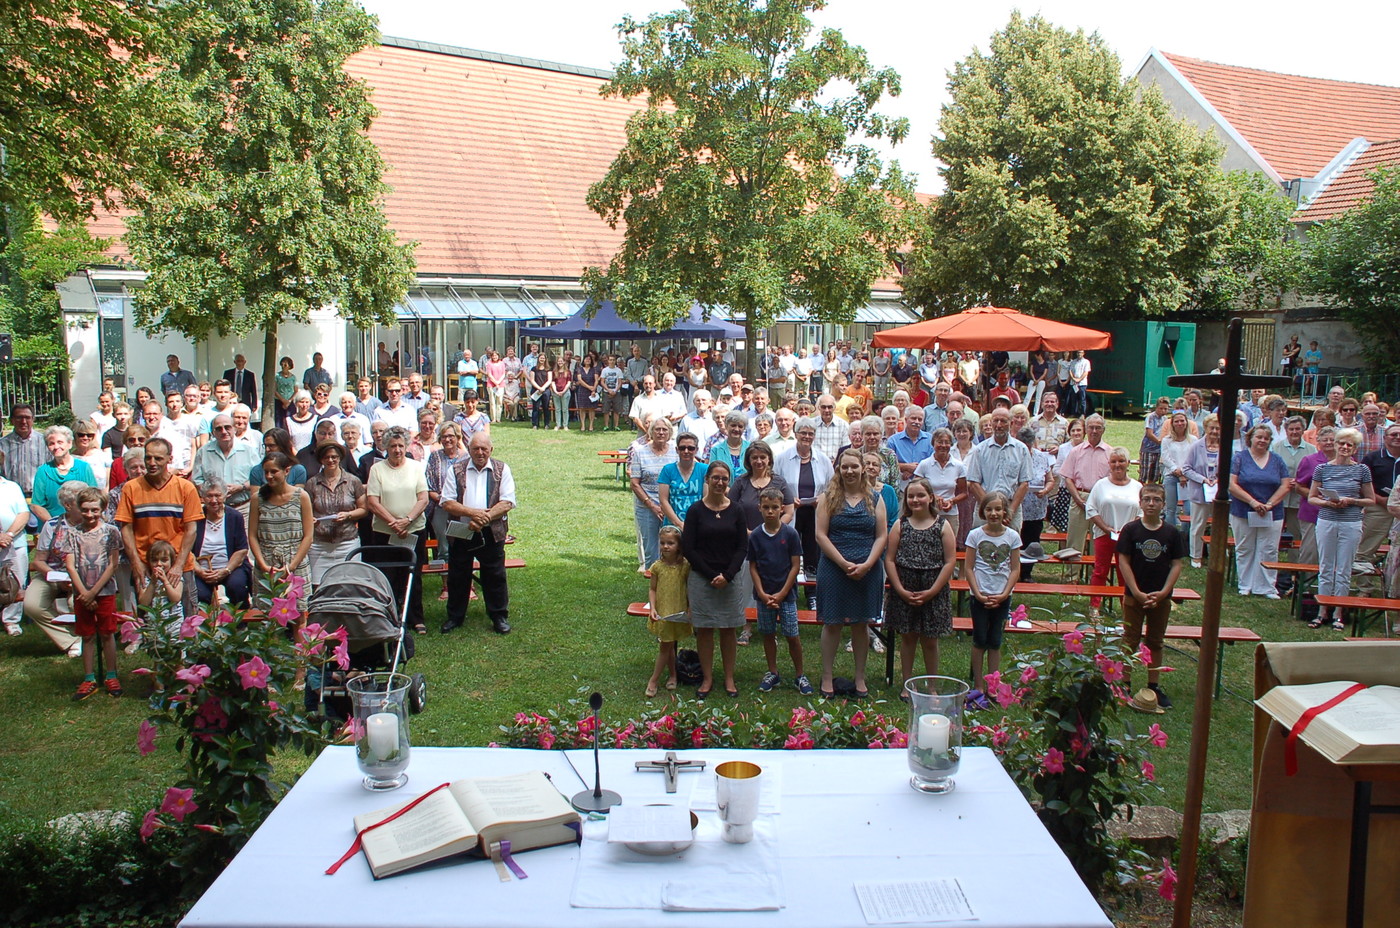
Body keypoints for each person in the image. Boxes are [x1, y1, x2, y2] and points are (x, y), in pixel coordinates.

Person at [814, 448, 887, 700]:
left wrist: (866, 564)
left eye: (854, 466)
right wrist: (844, 563)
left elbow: (881, 535)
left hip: (867, 569)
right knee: (832, 623)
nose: (849, 471)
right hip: (834, 567)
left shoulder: (876, 498)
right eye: (844, 467)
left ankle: (859, 677)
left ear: (862, 469)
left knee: (860, 624)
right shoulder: (828, 497)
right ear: (839, 469)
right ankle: (826, 675)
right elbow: (820, 535)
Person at [680, 459, 748, 699]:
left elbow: (742, 546)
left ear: (729, 482)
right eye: (715, 478)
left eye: (724, 478)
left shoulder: (737, 510)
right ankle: (707, 678)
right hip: (702, 579)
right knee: (705, 629)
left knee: (729, 629)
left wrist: (727, 575)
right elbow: (689, 547)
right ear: (707, 480)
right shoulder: (696, 510)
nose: (720, 482)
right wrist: (711, 575)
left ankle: (729, 677)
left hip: (730, 579)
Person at [1116, 483, 1187, 709]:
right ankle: (1124, 684)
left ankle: (1153, 685)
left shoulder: (1171, 533)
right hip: (1134, 595)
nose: (1151, 503)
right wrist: (1136, 591)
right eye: (1147, 499)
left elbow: (1176, 564)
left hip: (1160, 597)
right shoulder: (1131, 530)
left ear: (1163, 504)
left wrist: (1165, 592)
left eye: (1156, 500)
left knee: (1155, 641)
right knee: (1129, 640)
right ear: (1140, 502)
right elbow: (1123, 561)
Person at [440, 432, 517, 636]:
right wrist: (472, 514)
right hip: (462, 532)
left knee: (495, 575)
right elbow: (446, 501)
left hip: (492, 532)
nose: (480, 452)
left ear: (491, 450)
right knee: (458, 575)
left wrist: (485, 518)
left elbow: (508, 501)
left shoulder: (502, 469)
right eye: (476, 449)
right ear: (469, 449)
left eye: (484, 448)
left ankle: (499, 616)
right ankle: (455, 617)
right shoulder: (456, 469)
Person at [883, 477, 955, 692]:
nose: (916, 500)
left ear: (930, 497)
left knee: (930, 640)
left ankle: (932, 685)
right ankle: (907, 684)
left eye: (921, 495)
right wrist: (900, 589)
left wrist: (933, 591)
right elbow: (890, 559)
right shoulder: (900, 524)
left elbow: (950, 561)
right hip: (905, 587)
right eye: (911, 496)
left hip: (933, 588)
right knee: (908, 638)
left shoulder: (942, 525)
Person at [1307, 428, 1374, 630]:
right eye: (1341, 443)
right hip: (1327, 519)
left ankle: (1339, 613)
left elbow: (1370, 499)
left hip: (1351, 521)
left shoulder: (1362, 470)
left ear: (1354, 448)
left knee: (1344, 568)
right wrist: (1328, 503)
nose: (1345, 448)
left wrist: (1351, 500)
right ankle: (1322, 611)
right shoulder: (1322, 469)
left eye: (1349, 445)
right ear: (1335, 445)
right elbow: (1312, 497)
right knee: (1326, 566)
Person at [365, 427, 429, 632]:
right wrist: (393, 522)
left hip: (413, 530)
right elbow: (372, 501)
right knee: (388, 575)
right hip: (385, 532)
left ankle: (415, 618)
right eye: (393, 446)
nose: (397, 450)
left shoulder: (416, 467)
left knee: (413, 574)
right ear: (385, 447)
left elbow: (424, 498)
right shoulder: (377, 469)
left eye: (401, 445)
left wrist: (407, 521)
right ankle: (390, 617)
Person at [748, 486, 811, 695]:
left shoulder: (790, 534)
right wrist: (762, 593)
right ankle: (772, 672)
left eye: (774, 507)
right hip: (764, 596)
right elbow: (753, 567)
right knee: (767, 633)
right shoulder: (756, 535)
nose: (770, 512)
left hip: (787, 595)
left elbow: (795, 566)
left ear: (782, 508)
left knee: (792, 635)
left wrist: (783, 593)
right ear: (759, 508)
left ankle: (800, 674)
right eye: (766, 507)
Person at [64, 487, 124, 700]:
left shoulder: (111, 532)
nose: (90, 515)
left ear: (103, 509)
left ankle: (111, 674)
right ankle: (89, 677)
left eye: (94, 510)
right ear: (79, 509)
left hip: (105, 590)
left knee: (107, 632)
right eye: (85, 510)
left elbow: (112, 564)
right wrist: (85, 594)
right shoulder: (72, 533)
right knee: (87, 634)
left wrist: (94, 592)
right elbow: (71, 565)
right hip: (82, 592)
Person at [964, 491, 1021, 705]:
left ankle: (993, 684)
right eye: (989, 509)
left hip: (1002, 595)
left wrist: (1004, 593)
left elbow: (1015, 568)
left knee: (995, 641)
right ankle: (978, 684)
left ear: (1005, 512)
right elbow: (969, 567)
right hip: (979, 595)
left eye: (998, 509)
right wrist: (978, 593)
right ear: (983, 511)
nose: (994, 513)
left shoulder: (1012, 536)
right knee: (980, 640)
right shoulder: (975, 535)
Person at [1228, 425, 1292, 598]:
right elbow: (1232, 484)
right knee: (1245, 547)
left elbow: (1286, 484)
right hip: (1243, 510)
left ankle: (1266, 587)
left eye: (1266, 438)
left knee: (1269, 548)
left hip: (1272, 511)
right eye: (1259, 437)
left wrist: (1270, 504)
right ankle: (1245, 584)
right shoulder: (1240, 458)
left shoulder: (1277, 460)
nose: (1262, 441)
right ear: (1251, 438)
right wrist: (1253, 502)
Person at [1084, 447, 1142, 619]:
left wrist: (1129, 530)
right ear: (1109, 464)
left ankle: (1127, 606)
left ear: (1128, 464)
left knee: (1126, 572)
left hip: (1128, 537)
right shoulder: (1101, 485)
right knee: (1100, 570)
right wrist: (1105, 527)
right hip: (1105, 534)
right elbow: (1091, 509)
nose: (1118, 465)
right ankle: (1094, 606)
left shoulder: (1137, 486)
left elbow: (1142, 513)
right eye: (1114, 461)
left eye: (1121, 461)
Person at [248, 451, 314, 595]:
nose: (269, 476)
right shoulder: (257, 498)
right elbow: (252, 535)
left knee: (298, 611)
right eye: (266, 472)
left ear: (287, 471)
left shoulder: (301, 496)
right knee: (268, 613)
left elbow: (308, 536)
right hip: (267, 563)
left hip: (295, 561)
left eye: (274, 472)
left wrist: (292, 566)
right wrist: (263, 565)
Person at [306, 442, 367, 586]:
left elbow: (364, 509)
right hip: (319, 544)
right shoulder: (312, 483)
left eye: (334, 457)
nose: (330, 460)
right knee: (319, 585)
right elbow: (306, 511)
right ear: (321, 459)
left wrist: (349, 515)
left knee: (349, 584)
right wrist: (311, 519)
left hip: (347, 542)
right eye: (326, 457)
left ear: (340, 458)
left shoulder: (353, 481)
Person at [645, 525, 692, 697]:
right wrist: (653, 607)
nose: (666, 546)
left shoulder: (685, 566)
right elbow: (653, 589)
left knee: (670, 643)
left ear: (678, 545)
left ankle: (669, 676)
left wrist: (689, 607)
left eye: (670, 543)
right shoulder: (657, 566)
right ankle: (656, 679)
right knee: (666, 645)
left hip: (678, 610)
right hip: (662, 611)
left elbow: (689, 587)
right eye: (663, 543)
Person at [191, 477, 252, 607]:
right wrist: (200, 571)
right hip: (202, 570)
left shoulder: (235, 516)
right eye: (209, 496)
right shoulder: (195, 516)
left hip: (230, 567)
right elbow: (188, 550)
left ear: (225, 496)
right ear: (202, 497)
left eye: (218, 496)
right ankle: (204, 625)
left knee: (236, 586)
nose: (214, 501)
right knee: (200, 594)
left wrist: (226, 570)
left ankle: (240, 624)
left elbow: (241, 550)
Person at [629, 417, 678, 572]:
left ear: (670, 432)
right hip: (647, 507)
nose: (661, 432)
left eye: (664, 429)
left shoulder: (676, 452)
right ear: (651, 432)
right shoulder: (640, 453)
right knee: (651, 548)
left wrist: (666, 506)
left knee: (673, 546)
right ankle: (653, 589)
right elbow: (635, 483)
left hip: (671, 507)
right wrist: (652, 505)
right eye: (657, 429)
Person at [191, 413, 256, 517]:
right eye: (219, 429)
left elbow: (258, 478)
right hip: (214, 510)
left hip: (243, 509)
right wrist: (214, 492)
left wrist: (241, 487)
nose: (224, 431)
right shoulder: (203, 452)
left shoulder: (249, 451)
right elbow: (197, 480)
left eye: (227, 427)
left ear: (234, 429)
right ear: (213, 433)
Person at [31, 425, 97, 522]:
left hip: (83, 526)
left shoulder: (84, 467)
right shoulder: (43, 471)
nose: (56, 447)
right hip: (52, 526)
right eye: (51, 443)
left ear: (70, 444)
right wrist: (54, 525)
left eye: (60, 442)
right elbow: (36, 505)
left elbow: (94, 498)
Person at [1017, 428, 1057, 581]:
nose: (1026, 448)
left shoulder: (1041, 457)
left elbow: (1050, 479)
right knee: (1016, 539)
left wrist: (1045, 490)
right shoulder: (1014, 455)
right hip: (1017, 506)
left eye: (1029, 445)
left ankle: (1026, 573)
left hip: (1036, 507)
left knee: (1032, 540)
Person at [657, 432, 707, 530]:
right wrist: (679, 524)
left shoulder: (704, 470)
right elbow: (663, 500)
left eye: (691, 448)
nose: (686, 451)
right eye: (682, 448)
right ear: (677, 450)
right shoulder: (668, 470)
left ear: (696, 450)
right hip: (672, 526)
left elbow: (707, 499)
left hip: (698, 524)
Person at [1158, 411, 1198, 531]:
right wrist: (1177, 470)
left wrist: (1184, 473)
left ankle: (1185, 536)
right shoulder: (1166, 440)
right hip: (1171, 475)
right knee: (1171, 509)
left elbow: (1194, 458)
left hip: (1188, 477)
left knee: (1188, 509)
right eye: (1177, 421)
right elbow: (1165, 457)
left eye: (1182, 421)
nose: (1180, 423)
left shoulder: (1194, 440)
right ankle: (1171, 534)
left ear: (1186, 423)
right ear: (1172, 424)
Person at [0, 404, 48, 495]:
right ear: (11, 420)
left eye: (27, 417)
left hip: (39, 496)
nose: (23, 421)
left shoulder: (45, 442)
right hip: (11, 496)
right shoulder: (2, 445)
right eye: (19, 417)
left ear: (33, 419)